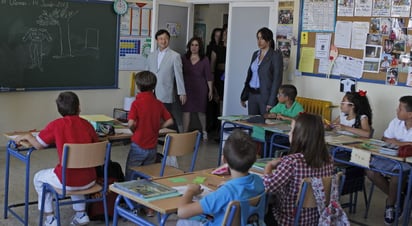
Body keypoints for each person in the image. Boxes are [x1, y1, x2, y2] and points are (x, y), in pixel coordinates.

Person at [14, 91, 99, 226]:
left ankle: (50, 219)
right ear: (79, 107)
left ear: (59, 110)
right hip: (90, 179)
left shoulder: (56, 125)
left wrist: (28, 136)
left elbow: (38, 145)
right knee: (77, 168)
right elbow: (97, 144)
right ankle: (81, 214)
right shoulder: (87, 125)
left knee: (39, 177)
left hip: (68, 181)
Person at [176, 129, 264, 225]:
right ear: (255, 159)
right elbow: (241, 188)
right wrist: (230, 184)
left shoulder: (225, 193)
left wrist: (190, 191)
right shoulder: (259, 181)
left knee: (182, 222)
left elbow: (181, 212)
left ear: (224, 160)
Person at [263, 113, 334, 225]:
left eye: (291, 130)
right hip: (317, 220)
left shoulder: (292, 162)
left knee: (262, 208)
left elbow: (268, 187)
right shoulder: (329, 159)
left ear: (301, 135)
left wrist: (269, 166)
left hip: (289, 220)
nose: (289, 133)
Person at [365, 96, 412, 225]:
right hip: (391, 157)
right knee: (370, 170)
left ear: (410, 114)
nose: (397, 110)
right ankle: (399, 197)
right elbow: (384, 139)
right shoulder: (395, 122)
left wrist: (396, 143)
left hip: (408, 163)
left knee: (398, 173)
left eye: (400, 108)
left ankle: (390, 204)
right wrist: (404, 144)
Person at [125, 71, 173, 181]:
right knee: (147, 173)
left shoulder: (136, 103)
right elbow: (170, 121)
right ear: (154, 86)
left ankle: (128, 197)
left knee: (130, 174)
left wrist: (134, 130)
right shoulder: (158, 103)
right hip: (152, 147)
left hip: (138, 145)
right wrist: (159, 127)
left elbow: (131, 123)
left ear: (138, 86)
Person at [146, 29, 186, 132]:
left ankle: (176, 136)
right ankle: (156, 135)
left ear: (169, 40)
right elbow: (147, 73)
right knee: (152, 114)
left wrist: (182, 92)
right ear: (156, 40)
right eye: (161, 39)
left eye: (166, 39)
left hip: (166, 91)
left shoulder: (175, 56)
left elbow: (179, 75)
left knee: (167, 115)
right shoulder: (151, 55)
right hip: (151, 91)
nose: (163, 41)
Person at [240, 27, 283, 115]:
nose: (259, 41)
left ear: (269, 40)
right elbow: (250, 76)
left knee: (265, 124)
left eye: (262, 38)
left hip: (265, 95)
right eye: (258, 38)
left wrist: (271, 101)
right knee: (252, 122)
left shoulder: (275, 56)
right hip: (252, 94)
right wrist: (244, 95)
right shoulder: (255, 54)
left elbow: (277, 80)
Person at [181, 37, 213, 141]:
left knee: (201, 111)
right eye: (192, 45)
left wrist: (210, 90)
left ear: (200, 47)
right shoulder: (184, 58)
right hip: (187, 88)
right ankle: (185, 133)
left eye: (196, 45)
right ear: (189, 46)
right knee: (186, 111)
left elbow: (208, 76)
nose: (194, 47)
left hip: (201, 88)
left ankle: (204, 131)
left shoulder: (205, 59)